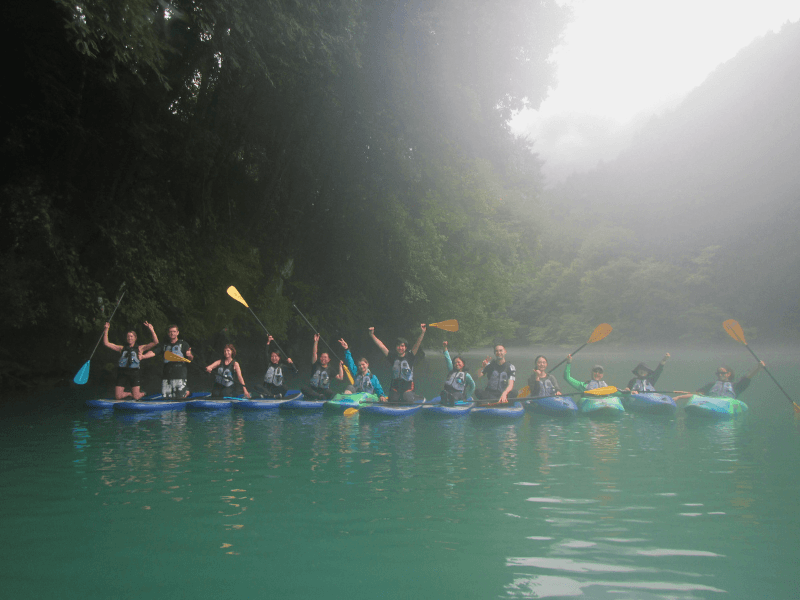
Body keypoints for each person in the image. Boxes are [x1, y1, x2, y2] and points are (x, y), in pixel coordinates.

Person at [369, 324, 427, 403]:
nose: (400, 348)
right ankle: (398, 397)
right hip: (395, 388)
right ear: (396, 347)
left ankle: (413, 397)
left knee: (407, 398)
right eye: (398, 346)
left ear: (405, 348)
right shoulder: (392, 357)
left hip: (408, 388)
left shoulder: (410, 357)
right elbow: (381, 346)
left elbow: (417, 344)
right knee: (393, 400)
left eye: (402, 346)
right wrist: (371, 335)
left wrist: (422, 333)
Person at [102, 321, 159, 399]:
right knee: (118, 397)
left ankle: (142, 393)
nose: (129, 338)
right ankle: (129, 393)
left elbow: (155, 342)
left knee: (136, 397)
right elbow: (106, 343)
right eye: (128, 336)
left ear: (135, 338)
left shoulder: (140, 348)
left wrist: (151, 329)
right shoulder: (121, 348)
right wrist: (106, 329)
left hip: (134, 373)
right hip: (122, 373)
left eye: (131, 336)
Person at [142, 324, 194, 398]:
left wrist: (189, 355)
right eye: (170, 332)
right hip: (167, 372)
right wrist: (143, 356)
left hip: (180, 372)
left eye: (174, 331)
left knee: (180, 396)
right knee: (166, 396)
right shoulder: (164, 345)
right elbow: (154, 352)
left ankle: (186, 392)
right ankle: (185, 392)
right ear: (168, 333)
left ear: (177, 333)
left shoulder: (183, 344)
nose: (172, 333)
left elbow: (190, 359)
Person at [674, 362, 765, 400]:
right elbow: (698, 394)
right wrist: (679, 397)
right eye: (718, 373)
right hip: (712, 403)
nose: (720, 374)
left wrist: (758, 368)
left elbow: (747, 377)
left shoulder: (736, 386)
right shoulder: (712, 385)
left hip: (727, 405)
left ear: (728, 374)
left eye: (722, 373)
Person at [300, 333, 343, 400]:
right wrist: (316, 341)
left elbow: (340, 378)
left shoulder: (331, 370)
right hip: (313, 390)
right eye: (322, 357)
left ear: (329, 360)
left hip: (324, 391)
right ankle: (318, 396)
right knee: (303, 388)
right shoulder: (315, 365)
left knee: (333, 393)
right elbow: (314, 353)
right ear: (320, 358)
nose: (323, 358)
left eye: (325, 357)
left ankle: (318, 396)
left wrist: (340, 366)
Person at [439, 341, 475, 406]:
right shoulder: (451, 370)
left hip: (459, 394)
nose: (457, 364)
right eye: (455, 363)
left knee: (455, 395)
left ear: (463, 364)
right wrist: (445, 347)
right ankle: (445, 398)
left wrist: (467, 396)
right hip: (449, 391)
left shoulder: (466, 375)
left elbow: (472, 386)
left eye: (459, 362)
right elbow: (448, 359)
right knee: (444, 392)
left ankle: (451, 399)